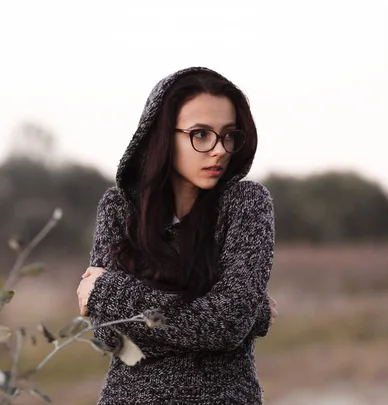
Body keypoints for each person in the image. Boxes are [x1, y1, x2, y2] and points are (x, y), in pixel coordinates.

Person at [76, 66, 278, 405]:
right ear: (161, 136)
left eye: (229, 135)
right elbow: (109, 334)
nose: (219, 150)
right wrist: (234, 312)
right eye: (200, 134)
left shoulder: (247, 203)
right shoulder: (118, 208)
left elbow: (226, 324)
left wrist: (108, 290)